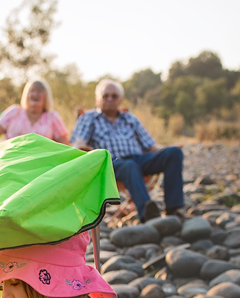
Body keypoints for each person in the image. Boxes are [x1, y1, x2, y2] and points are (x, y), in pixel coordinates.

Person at [71, 78, 185, 222]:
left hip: (138, 159)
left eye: (114, 96)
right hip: (109, 163)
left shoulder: (130, 118)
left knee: (173, 153)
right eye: (105, 96)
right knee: (129, 166)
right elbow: (79, 141)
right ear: (97, 100)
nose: (109, 99)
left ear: (121, 100)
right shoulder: (89, 118)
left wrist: (171, 148)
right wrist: (78, 147)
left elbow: (152, 147)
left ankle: (174, 210)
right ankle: (147, 214)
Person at [0, 78, 70, 148]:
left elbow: (65, 146)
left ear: (46, 97)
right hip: (8, 158)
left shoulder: (52, 117)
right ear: (27, 95)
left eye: (39, 91)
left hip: (39, 164)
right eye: (32, 91)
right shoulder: (14, 111)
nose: (35, 94)